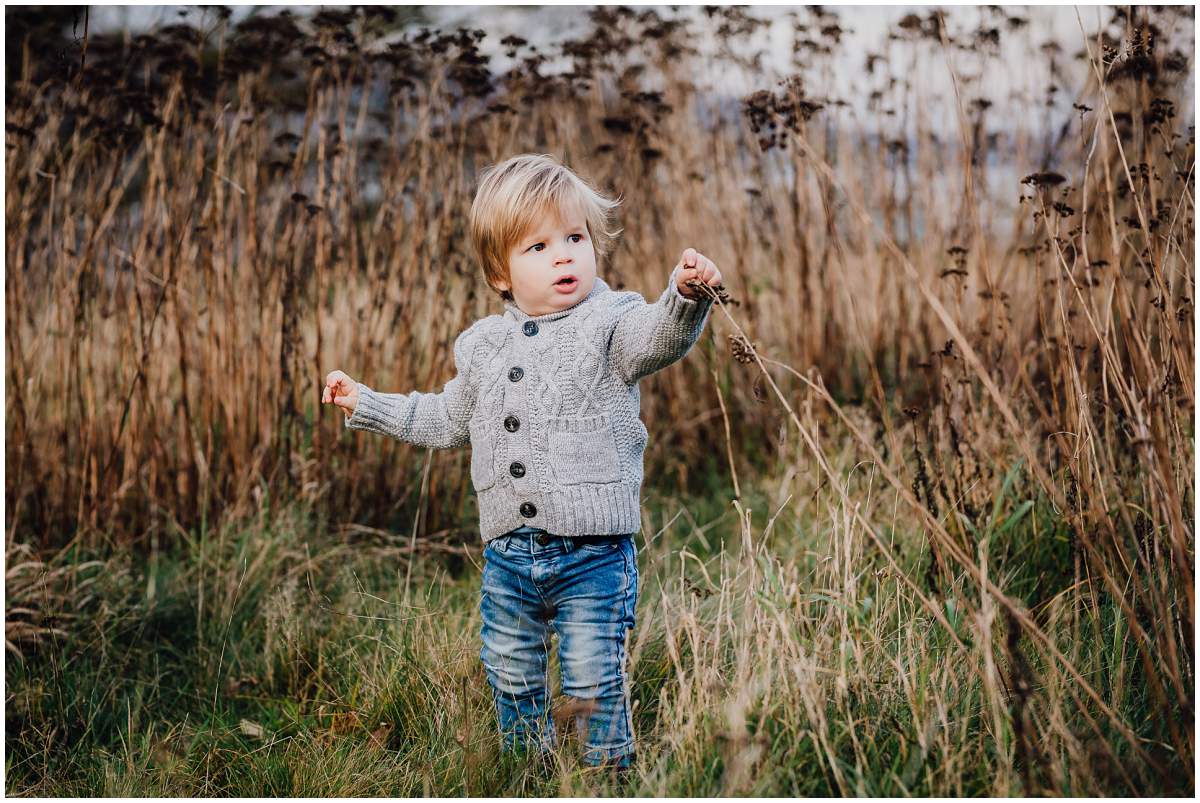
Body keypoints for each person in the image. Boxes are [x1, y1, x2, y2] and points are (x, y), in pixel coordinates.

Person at [322, 152, 723, 773]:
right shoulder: (483, 347)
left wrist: (685, 296)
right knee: (509, 668)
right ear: (499, 273)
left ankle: (605, 774)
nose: (563, 255)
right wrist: (365, 402)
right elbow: (445, 417)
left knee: (593, 676)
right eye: (537, 246)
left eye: (575, 238)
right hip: (509, 555)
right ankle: (526, 771)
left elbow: (660, 337)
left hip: (594, 551)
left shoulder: (612, 322)